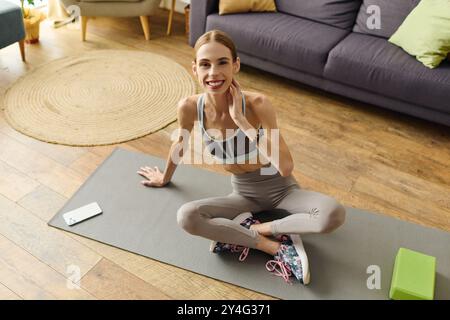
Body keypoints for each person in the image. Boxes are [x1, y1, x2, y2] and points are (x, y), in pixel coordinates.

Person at [137, 30, 346, 285]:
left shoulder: (258, 104)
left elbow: (285, 166)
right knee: (187, 216)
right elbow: (179, 145)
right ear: (195, 69)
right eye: (205, 64)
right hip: (243, 194)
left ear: (236, 65)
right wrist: (164, 178)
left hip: (281, 189)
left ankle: (255, 229)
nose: (213, 73)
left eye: (222, 62)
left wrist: (242, 122)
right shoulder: (189, 107)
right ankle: (272, 247)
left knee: (332, 214)